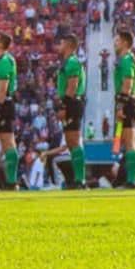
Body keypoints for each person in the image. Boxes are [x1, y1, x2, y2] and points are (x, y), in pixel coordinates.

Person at [111, 28, 135, 188]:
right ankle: (126, 177)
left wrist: (120, 106)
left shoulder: (126, 60)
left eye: (117, 41)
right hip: (128, 102)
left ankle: (132, 181)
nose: (115, 44)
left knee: (130, 143)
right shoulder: (128, 59)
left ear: (124, 43)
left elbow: (127, 84)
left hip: (127, 103)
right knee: (124, 141)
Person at [55, 32, 86, 189]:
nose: (59, 46)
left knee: (73, 141)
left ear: (68, 45)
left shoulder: (73, 62)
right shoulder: (67, 62)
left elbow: (72, 86)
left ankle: (80, 179)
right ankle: (77, 178)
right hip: (70, 103)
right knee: (70, 141)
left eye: (61, 43)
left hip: (72, 103)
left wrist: (63, 106)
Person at [0, 32, 19, 189]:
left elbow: (2, 89)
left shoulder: (4, 61)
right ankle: (10, 180)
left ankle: (12, 182)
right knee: (6, 143)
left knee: (8, 144)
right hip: (2, 104)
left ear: (0, 44)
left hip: (4, 104)